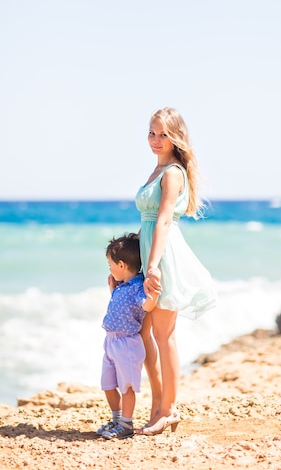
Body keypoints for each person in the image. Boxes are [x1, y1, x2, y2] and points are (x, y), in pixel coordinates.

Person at [135, 107, 216, 436]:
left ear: (176, 137)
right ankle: (159, 404)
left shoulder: (172, 172)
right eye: (152, 133)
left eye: (163, 134)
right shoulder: (157, 169)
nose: (156, 140)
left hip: (164, 255)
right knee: (145, 334)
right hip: (149, 253)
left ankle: (167, 409)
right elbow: (149, 221)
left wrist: (153, 264)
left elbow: (165, 220)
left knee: (163, 335)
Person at [96, 233, 160, 440]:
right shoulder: (121, 285)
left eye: (110, 265)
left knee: (127, 387)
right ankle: (116, 419)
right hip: (111, 341)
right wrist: (112, 289)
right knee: (108, 384)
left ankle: (126, 424)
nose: (109, 269)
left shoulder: (137, 286)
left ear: (122, 265)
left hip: (127, 343)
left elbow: (146, 305)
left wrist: (153, 297)